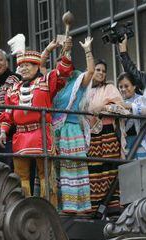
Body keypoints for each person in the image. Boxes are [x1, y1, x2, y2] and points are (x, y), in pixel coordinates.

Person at [0, 38, 73, 206]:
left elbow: (63, 72)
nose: (23, 69)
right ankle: (23, 208)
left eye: (27, 65)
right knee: (21, 175)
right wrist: (3, 131)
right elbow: (7, 113)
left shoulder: (45, 82)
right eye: (21, 66)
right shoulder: (13, 89)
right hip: (20, 135)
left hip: (41, 132)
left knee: (45, 173)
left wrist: (65, 52)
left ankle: (49, 208)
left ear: (37, 66)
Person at [52, 36, 94, 214]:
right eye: (59, 66)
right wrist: (53, 48)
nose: (63, 69)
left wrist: (87, 50)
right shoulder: (52, 84)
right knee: (55, 169)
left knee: (73, 167)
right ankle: (59, 206)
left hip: (71, 129)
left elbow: (91, 72)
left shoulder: (77, 80)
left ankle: (77, 206)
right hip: (54, 132)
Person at [81, 59, 128, 214]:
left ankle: (114, 208)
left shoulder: (109, 88)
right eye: (97, 70)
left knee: (110, 169)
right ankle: (96, 208)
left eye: (103, 71)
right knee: (94, 170)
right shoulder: (84, 91)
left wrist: (104, 108)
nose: (100, 73)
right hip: (91, 136)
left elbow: (121, 107)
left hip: (108, 134)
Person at [117, 72, 146, 159]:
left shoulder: (141, 99)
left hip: (140, 142)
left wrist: (131, 106)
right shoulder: (117, 102)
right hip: (125, 144)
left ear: (134, 86)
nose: (123, 89)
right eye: (120, 87)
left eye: (126, 86)